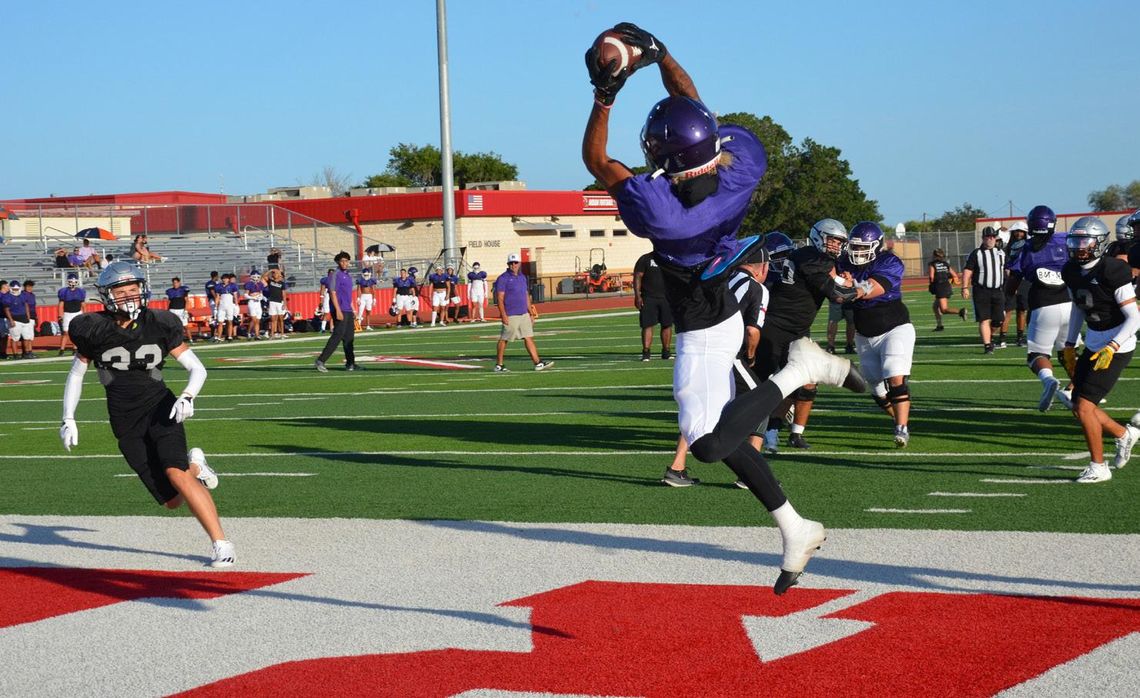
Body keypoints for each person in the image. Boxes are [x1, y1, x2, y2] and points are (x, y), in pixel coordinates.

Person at [583, 22, 866, 593]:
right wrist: (661, 55)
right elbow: (692, 104)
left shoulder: (660, 208)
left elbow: (596, 159)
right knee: (713, 433)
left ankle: (802, 371)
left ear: (662, 155)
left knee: (710, 444)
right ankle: (794, 526)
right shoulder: (745, 163)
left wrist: (605, 94)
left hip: (703, 315)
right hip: (716, 299)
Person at [61, 261, 234, 567]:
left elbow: (197, 367)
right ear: (106, 296)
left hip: (161, 408)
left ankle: (221, 544)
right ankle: (195, 465)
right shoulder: (92, 329)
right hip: (124, 419)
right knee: (172, 501)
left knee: (174, 472)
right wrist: (68, 418)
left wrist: (187, 396)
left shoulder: (159, 323)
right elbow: (76, 375)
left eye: (133, 290)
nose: (129, 296)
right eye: (121, 291)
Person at [663, 246, 770, 487]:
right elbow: (752, 331)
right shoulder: (757, 288)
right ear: (761, 268)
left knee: (700, 409)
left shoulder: (723, 278)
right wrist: (751, 356)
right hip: (726, 353)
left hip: (701, 346)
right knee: (762, 402)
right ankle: (750, 473)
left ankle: (677, 467)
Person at [760, 218, 857, 451]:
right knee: (765, 384)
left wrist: (842, 281)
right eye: (832, 241)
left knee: (808, 382)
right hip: (777, 328)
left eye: (839, 242)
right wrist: (852, 288)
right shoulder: (813, 257)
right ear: (818, 237)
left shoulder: (812, 257)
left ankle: (794, 433)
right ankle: (763, 432)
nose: (835, 246)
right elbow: (838, 295)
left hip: (798, 330)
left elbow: (832, 282)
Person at [1058, 217, 1140, 483]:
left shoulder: (1113, 270)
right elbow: (1077, 307)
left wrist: (1113, 345)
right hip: (1094, 339)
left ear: (1099, 243)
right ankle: (1122, 434)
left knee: (1084, 407)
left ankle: (1098, 466)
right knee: (1077, 406)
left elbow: (1134, 318)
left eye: (1085, 241)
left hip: (1119, 341)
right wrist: (1070, 343)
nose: (1079, 247)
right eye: (1075, 241)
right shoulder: (1070, 270)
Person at [838, 222, 916, 447]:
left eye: (864, 248)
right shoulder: (844, 261)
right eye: (855, 247)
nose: (858, 252)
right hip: (864, 333)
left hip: (895, 327)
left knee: (894, 374)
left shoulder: (889, 261)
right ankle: (898, 419)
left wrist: (851, 287)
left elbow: (873, 289)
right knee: (875, 385)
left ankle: (902, 428)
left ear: (876, 246)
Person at [1005, 205, 1077, 410]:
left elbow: (1014, 280)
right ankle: (1082, 390)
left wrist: (1008, 295)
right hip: (1070, 302)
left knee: (1036, 355)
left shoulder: (1024, 248)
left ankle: (1048, 380)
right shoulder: (1066, 240)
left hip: (1043, 304)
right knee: (1068, 351)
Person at [493, 252, 553, 372]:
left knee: (528, 337)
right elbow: (499, 298)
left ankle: (537, 362)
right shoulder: (503, 278)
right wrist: (503, 314)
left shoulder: (522, 277)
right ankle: (499, 365)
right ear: (508, 264)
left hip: (523, 313)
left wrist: (530, 312)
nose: (513, 265)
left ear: (519, 263)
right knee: (504, 339)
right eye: (511, 263)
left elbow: (526, 295)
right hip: (511, 314)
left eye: (515, 262)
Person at [961, 227, 1006, 354]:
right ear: (983, 238)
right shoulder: (976, 253)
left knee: (999, 320)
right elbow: (968, 270)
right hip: (981, 290)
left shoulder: (1001, 253)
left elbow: (1006, 270)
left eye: (993, 236)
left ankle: (989, 336)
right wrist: (964, 287)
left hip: (998, 290)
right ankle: (987, 345)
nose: (991, 239)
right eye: (988, 237)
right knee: (984, 319)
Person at [315, 252, 359, 372]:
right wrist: (338, 311)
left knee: (349, 338)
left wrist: (352, 309)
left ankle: (350, 363)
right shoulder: (335, 275)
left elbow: (347, 295)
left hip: (347, 310)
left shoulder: (347, 275)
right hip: (340, 310)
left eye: (347, 261)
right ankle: (321, 360)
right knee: (337, 335)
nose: (345, 263)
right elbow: (333, 293)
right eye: (342, 261)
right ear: (338, 262)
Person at [633, 250, 674, 361]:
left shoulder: (670, 259)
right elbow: (638, 276)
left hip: (667, 298)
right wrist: (638, 296)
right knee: (647, 325)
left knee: (667, 324)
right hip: (648, 297)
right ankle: (646, 352)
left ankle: (666, 352)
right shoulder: (645, 259)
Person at [1002, 221, 1031, 346]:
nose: (1018, 234)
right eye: (1016, 231)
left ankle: (1020, 337)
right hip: (1012, 279)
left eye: (1021, 231)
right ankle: (1002, 338)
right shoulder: (1008, 247)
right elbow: (1006, 263)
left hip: (1025, 280)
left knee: (1022, 310)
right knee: (1007, 310)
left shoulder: (1029, 245)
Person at [927, 248, 966, 330]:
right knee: (935, 307)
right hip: (946, 285)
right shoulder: (945, 264)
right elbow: (954, 275)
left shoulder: (932, 264)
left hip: (939, 287)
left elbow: (931, 277)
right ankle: (939, 325)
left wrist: (931, 285)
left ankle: (960, 312)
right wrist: (952, 282)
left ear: (934, 255)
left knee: (944, 309)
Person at [4, 280, 35, 359]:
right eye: (14, 289)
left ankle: (27, 353)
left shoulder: (23, 295)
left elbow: (26, 305)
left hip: (24, 318)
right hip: (15, 319)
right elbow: (6, 309)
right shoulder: (7, 297)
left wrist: (28, 316)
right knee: (15, 338)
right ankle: (15, 354)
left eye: (17, 289)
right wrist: (10, 320)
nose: (16, 291)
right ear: (11, 289)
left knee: (26, 337)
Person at [57, 273, 87, 354]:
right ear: (68, 282)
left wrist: (85, 315)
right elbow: (61, 305)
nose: (73, 283)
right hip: (67, 313)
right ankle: (62, 349)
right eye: (71, 281)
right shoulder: (64, 291)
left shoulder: (81, 291)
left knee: (76, 332)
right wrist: (60, 315)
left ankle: (75, 348)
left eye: (74, 281)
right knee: (65, 332)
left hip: (77, 313)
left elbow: (83, 305)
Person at [165, 277, 193, 344]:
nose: (175, 284)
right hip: (172, 309)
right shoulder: (170, 291)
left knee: (185, 326)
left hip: (181, 310)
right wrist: (167, 310)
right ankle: (174, 340)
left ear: (179, 283)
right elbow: (169, 301)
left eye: (176, 282)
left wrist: (186, 310)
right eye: (174, 283)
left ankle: (191, 340)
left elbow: (187, 301)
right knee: (172, 326)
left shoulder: (183, 290)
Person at [213, 273, 238, 342]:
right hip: (222, 306)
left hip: (229, 305)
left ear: (228, 279)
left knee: (230, 321)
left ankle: (230, 336)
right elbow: (217, 297)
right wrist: (216, 306)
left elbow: (235, 296)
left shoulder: (232, 286)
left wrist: (236, 305)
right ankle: (219, 337)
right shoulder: (219, 286)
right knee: (220, 322)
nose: (225, 280)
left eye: (226, 278)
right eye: (223, 278)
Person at [264, 268, 288, 339]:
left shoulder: (282, 284)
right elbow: (264, 276)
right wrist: (271, 270)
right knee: (273, 319)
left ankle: (282, 334)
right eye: (276, 273)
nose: (277, 275)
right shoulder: (271, 281)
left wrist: (284, 304)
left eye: (278, 274)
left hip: (279, 302)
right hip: (272, 302)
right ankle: (272, 334)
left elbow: (284, 294)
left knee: (281, 319)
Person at [242, 271, 266, 340]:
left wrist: (261, 297)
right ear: (251, 277)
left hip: (258, 303)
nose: (256, 278)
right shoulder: (249, 284)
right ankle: (256, 335)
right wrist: (253, 297)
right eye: (254, 276)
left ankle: (251, 333)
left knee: (257, 321)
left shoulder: (260, 284)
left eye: (258, 276)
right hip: (252, 303)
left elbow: (261, 293)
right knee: (254, 320)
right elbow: (245, 295)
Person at [0, 280, 9, 360]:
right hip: (1, 317)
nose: (8, 287)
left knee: (5, 336)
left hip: (5, 318)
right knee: (2, 336)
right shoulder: (1, 295)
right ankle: (2, 352)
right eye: (7, 285)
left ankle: (3, 352)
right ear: (3, 286)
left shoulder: (7, 295)